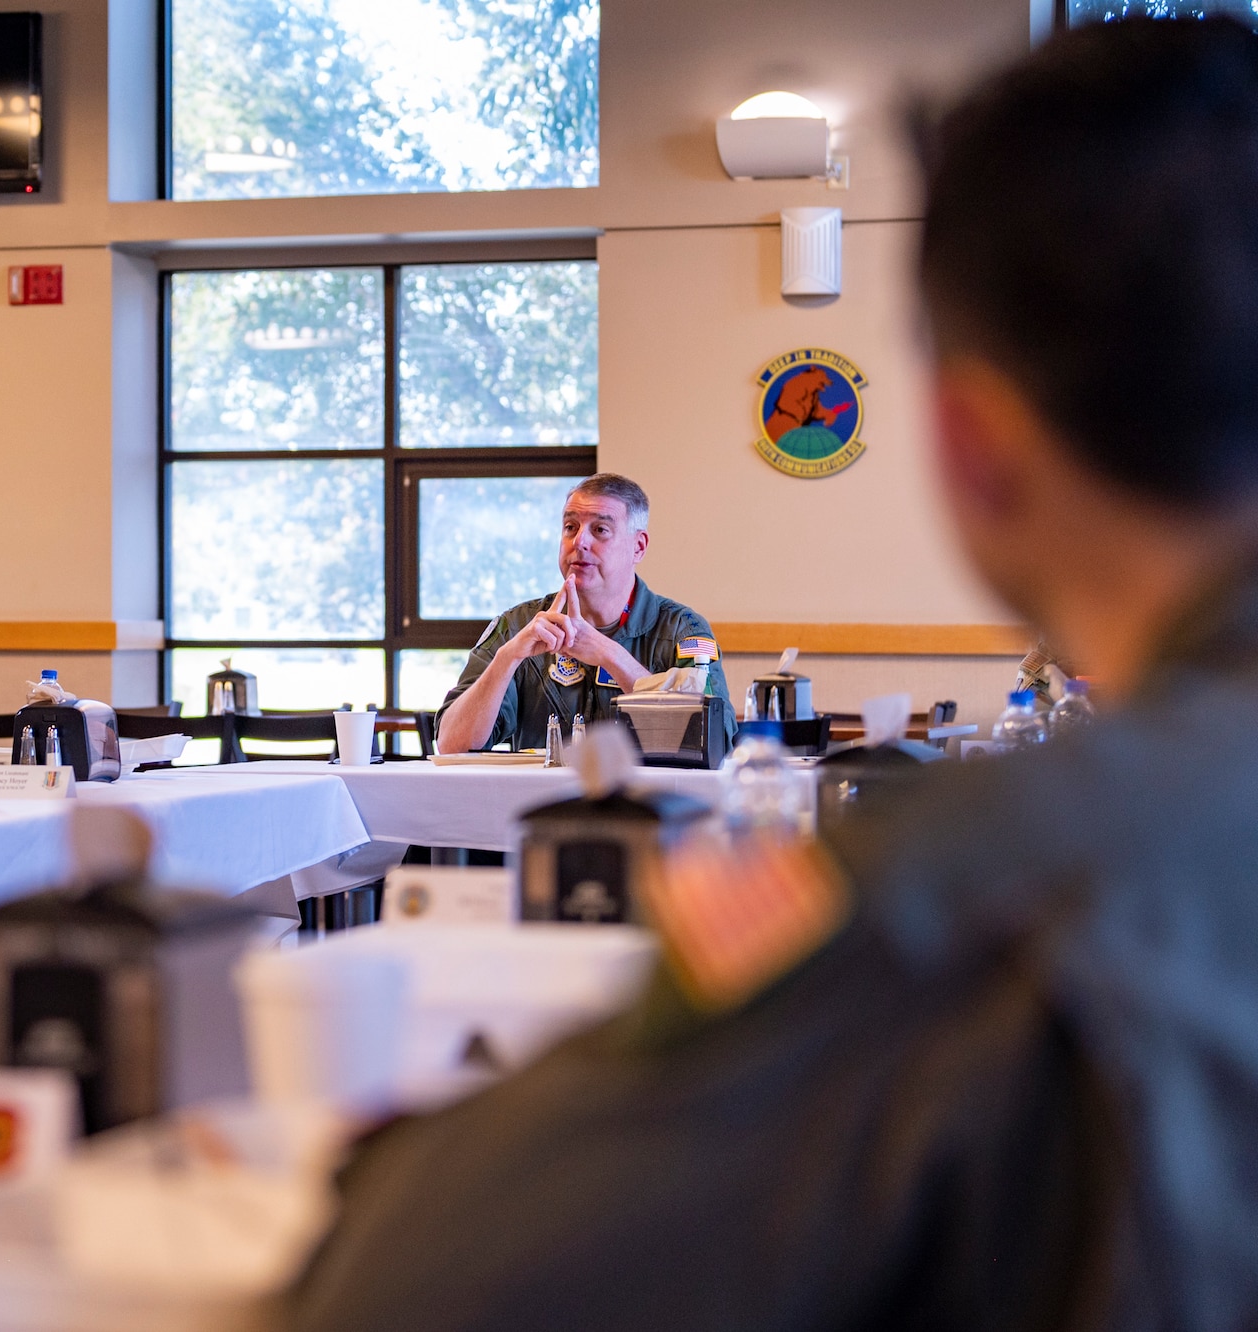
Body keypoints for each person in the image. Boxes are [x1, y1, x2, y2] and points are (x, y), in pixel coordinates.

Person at [292, 18, 1258, 1328]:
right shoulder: (522, 621)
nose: (579, 549)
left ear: (970, 443)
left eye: (599, 529)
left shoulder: (967, 887)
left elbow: (420, 1278)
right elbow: (450, 749)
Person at [436, 473, 732, 755]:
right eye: (570, 528)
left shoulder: (683, 630)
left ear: (638, 547)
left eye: (600, 530)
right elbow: (451, 745)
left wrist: (610, 655)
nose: (580, 542)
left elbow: (716, 739)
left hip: (644, 805)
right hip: (542, 803)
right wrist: (508, 658)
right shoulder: (516, 626)